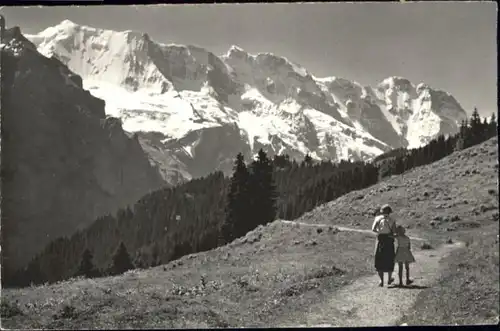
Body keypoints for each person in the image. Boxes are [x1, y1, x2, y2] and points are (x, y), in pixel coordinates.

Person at [371, 204, 397, 287]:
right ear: (390, 212)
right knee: (389, 258)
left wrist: (380, 231)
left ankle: (381, 281)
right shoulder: (392, 220)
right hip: (389, 239)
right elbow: (394, 231)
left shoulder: (378, 218)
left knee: (379, 259)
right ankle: (389, 279)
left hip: (380, 239)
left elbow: (373, 229)